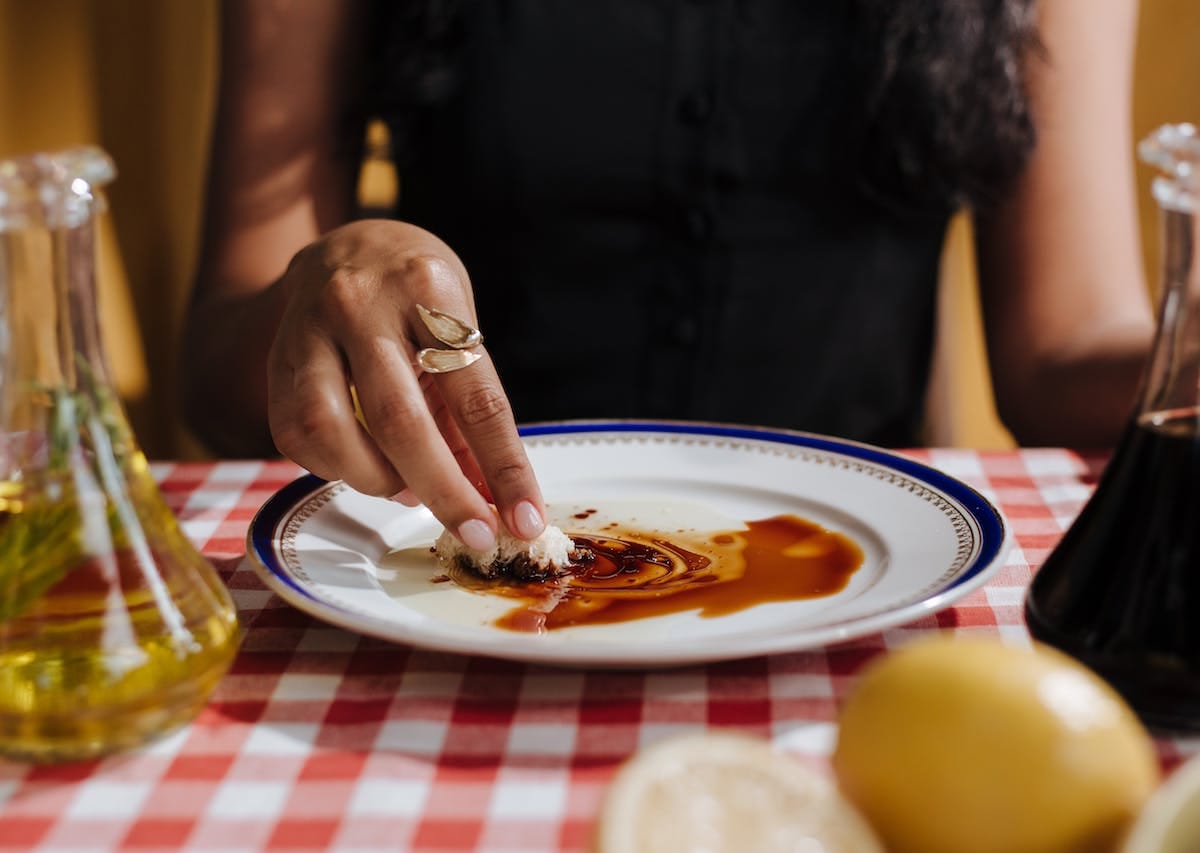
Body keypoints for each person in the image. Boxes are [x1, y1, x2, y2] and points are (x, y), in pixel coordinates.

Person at [182, 0, 1154, 554]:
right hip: (442, 559)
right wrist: (323, 289)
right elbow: (222, 371)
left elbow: (1064, 353)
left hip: (860, 576)